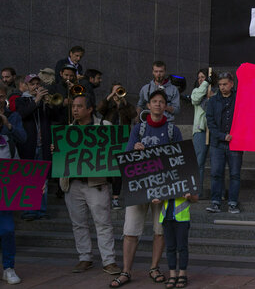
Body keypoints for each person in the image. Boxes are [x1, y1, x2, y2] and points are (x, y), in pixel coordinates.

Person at [110, 89, 183, 288]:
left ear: (166, 107)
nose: (158, 104)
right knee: (131, 231)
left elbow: (179, 160)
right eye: (154, 101)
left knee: (160, 231)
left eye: (162, 101)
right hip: (139, 187)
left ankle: (154, 267)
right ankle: (126, 271)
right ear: (148, 105)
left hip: (163, 189)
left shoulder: (172, 131)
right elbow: (127, 156)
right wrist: (135, 150)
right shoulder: (138, 129)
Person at [56, 94, 121, 274]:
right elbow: (62, 160)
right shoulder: (68, 130)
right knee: (78, 223)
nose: (75, 110)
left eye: (79, 106)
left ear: (90, 109)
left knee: (103, 222)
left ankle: (109, 260)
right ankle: (85, 258)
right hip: (73, 184)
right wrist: (58, 150)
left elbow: (115, 154)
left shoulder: (104, 127)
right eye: (73, 107)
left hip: (97, 184)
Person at [16, 75, 56, 220]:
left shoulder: (43, 101)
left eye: (37, 84)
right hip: (29, 145)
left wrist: (49, 104)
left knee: (43, 180)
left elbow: (54, 117)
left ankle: (41, 210)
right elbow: (22, 114)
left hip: (43, 145)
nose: (35, 87)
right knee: (29, 179)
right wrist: (37, 100)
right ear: (26, 86)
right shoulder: (20, 100)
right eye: (32, 84)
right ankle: (29, 210)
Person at [0, 84, 27, 285]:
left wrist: (7, 124)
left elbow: (23, 138)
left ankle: (8, 267)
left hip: (7, 181)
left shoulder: (13, 116)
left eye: (0, 96)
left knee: (7, 228)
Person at [205, 73, 243, 213]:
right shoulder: (213, 101)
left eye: (225, 84)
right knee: (216, 173)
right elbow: (210, 122)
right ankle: (215, 202)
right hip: (218, 143)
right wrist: (222, 136)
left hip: (235, 143)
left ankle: (233, 202)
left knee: (235, 174)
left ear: (232, 83)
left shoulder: (240, 98)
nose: (222, 87)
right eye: (220, 85)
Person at [97, 82, 137, 209]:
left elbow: (134, 115)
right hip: (108, 141)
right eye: (115, 91)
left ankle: (115, 198)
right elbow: (99, 109)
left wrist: (124, 102)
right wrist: (110, 97)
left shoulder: (125, 106)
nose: (117, 94)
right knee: (107, 169)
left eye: (119, 91)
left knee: (118, 171)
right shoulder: (108, 105)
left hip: (122, 141)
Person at [155, 192, 198, 289]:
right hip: (166, 219)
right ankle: (172, 275)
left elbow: (195, 198)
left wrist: (189, 197)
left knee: (182, 247)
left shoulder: (187, 180)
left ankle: (182, 274)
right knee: (170, 248)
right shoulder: (167, 180)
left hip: (182, 219)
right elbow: (161, 196)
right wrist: (158, 199)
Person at [191, 69, 216, 198]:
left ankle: (217, 193)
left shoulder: (215, 93)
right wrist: (205, 83)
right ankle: (197, 192)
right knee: (198, 163)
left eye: (204, 77)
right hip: (200, 131)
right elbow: (195, 99)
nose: (201, 79)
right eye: (199, 77)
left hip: (214, 132)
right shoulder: (196, 92)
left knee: (216, 164)